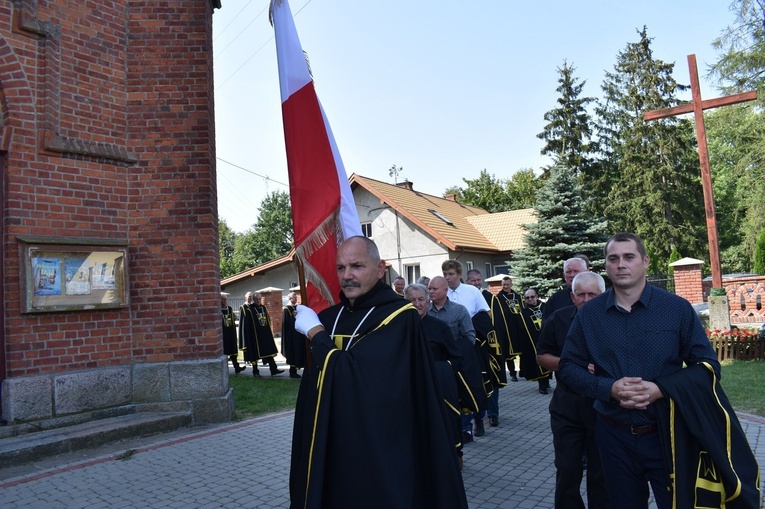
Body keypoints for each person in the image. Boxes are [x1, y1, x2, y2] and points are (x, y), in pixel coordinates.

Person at [290, 236, 468, 509]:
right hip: (332, 441)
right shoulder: (328, 318)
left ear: (380, 268)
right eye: (340, 268)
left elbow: (358, 376)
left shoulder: (400, 317)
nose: (347, 276)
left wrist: (316, 335)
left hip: (378, 444)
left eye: (357, 266)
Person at [558, 232, 723, 509]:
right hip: (613, 435)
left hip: (668, 434)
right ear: (606, 266)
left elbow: (708, 366)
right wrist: (608, 388)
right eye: (613, 259)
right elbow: (568, 367)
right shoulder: (590, 314)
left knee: (676, 503)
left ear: (645, 262)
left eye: (629, 257)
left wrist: (661, 389)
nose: (621, 264)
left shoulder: (676, 309)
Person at [536, 272, 610, 509]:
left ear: (604, 295)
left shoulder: (615, 321)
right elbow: (541, 356)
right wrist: (570, 364)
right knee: (567, 469)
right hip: (567, 407)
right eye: (581, 294)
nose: (586, 299)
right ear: (572, 296)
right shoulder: (558, 319)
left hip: (603, 408)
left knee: (601, 472)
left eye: (592, 294)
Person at [405, 283, 464, 468]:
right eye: (412, 300)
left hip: (439, 390)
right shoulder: (398, 328)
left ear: (428, 302)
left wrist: (439, 370)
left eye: (421, 299)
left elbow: (457, 358)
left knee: (446, 424)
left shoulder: (440, 327)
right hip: (409, 390)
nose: (417, 304)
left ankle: (454, 456)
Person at [442, 260, 501, 437]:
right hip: (451, 348)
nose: (447, 278)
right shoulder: (442, 293)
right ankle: (464, 427)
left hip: (473, 345)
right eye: (445, 274)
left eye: (451, 274)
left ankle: (479, 419)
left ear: (459, 274)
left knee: (476, 383)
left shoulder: (472, 291)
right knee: (458, 386)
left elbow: (486, 314)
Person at [466, 269, 505, 427]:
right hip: (473, 347)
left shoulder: (490, 297)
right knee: (477, 382)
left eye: (478, 280)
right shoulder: (464, 296)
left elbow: (499, 323)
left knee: (493, 378)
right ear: (467, 281)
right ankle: (478, 417)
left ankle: (493, 414)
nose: (476, 283)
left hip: (490, 344)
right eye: (472, 280)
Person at [238, 291, 284, 377]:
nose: (258, 301)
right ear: (253, 299)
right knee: (255, 354)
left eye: (259, 299)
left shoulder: (263, 308)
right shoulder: (249, 309)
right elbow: (247, 325)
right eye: (256, 299)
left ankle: (273, 369)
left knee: (269, 352)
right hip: (255, 335)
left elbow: (267, 321)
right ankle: (255, 371)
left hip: (265, 334)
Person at [514, 288, 551, 394]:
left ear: (537, 296)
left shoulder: (545, 308)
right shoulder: (523, 313)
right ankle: (542, 385)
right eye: (527, 298)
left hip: (548, 339)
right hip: (533, 342)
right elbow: (520, 331)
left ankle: (547, 381)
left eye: (532, 297)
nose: (530, 299)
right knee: (539, 363)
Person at [491, 276, 523, 384]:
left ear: (511, 285)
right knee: (509, 353)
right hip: (507, 329)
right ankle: (513, 373)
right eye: (504, 284)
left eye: (507, 284)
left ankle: (523, 371)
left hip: (518, 327)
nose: (505, 286)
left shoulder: (517, 296)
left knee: (522, 350)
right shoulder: (498, 298)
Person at [281, 292, 304, 379]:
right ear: (290, 299)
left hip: (298, 333)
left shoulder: (297, 307)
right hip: (291, 335)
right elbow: (286, 324)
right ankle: (292, 371)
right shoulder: (286, 309)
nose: (296, 298)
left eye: (296, 297)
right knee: (292, 352)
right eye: (294, 297)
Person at [221, 293, 245, 374]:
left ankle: (237, 367)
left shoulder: (230, 309)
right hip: (223, 334)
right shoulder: (218, 310)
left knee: (233, 351)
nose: (224, 301)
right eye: (222, 299)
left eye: (225, 299)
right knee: (224, 352)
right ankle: (224, 370)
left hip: (230, 333)